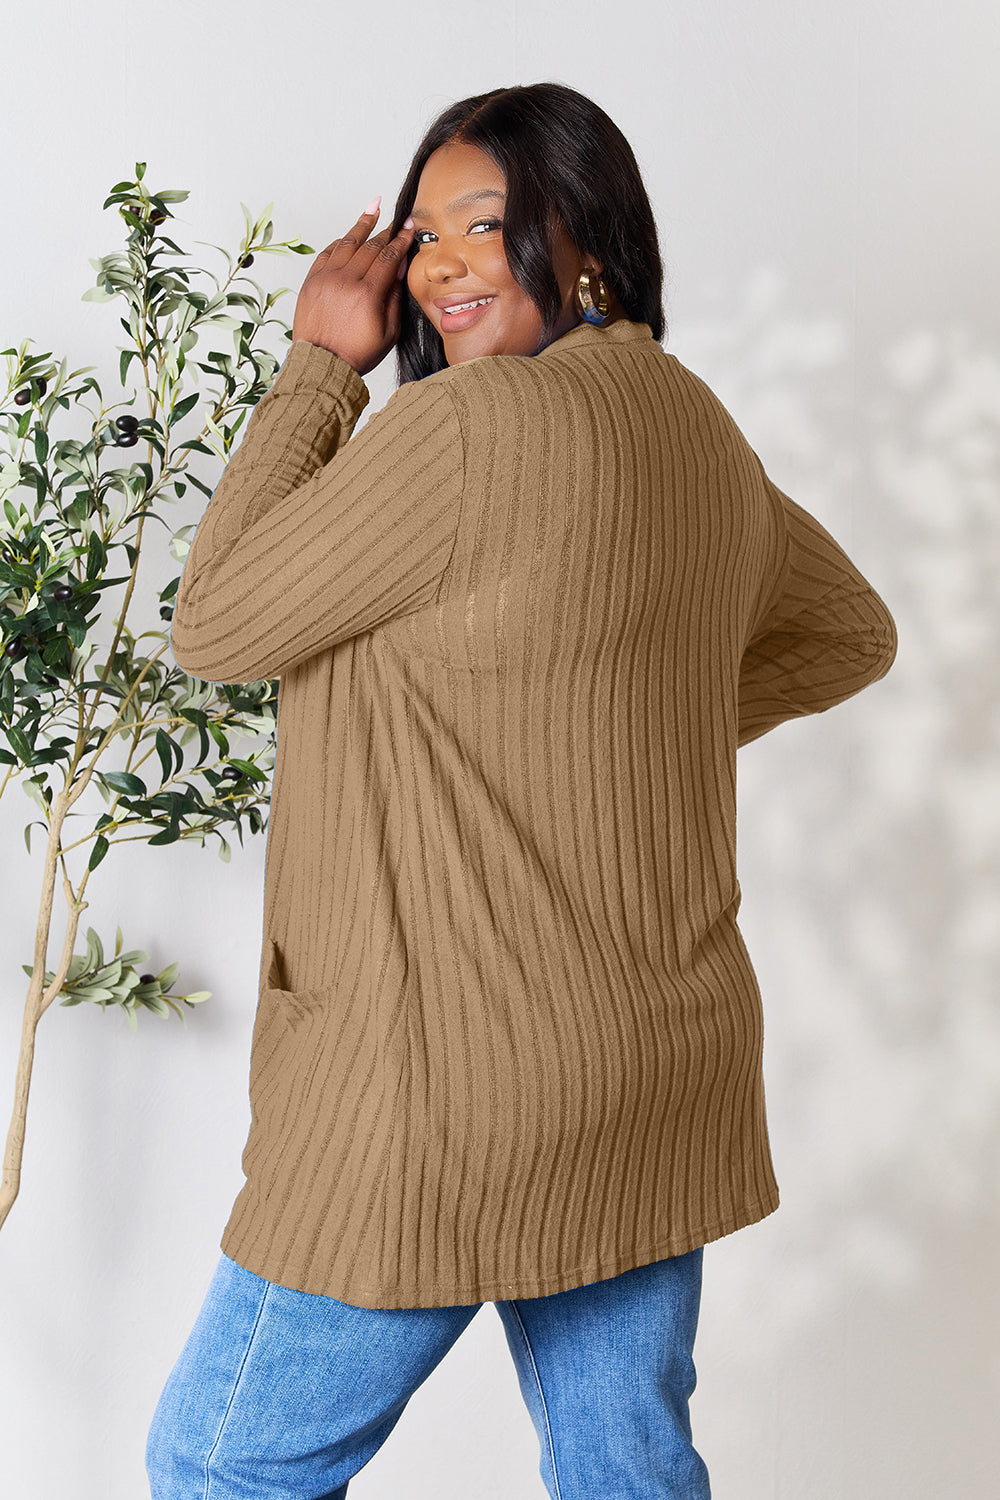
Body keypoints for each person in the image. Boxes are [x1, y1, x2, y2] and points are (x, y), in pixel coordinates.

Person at [146, 82, 897, 1499]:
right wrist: (614, 722)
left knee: (218, 1466)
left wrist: (320, 365)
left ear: (588, 244)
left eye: (484, 225)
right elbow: (848, 629)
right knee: (623, 1468)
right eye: (423, 232)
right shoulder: (691, 429)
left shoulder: (462, 434)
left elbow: (218, 623)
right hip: (643, 1072)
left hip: (440, 1086)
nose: (437, 265)